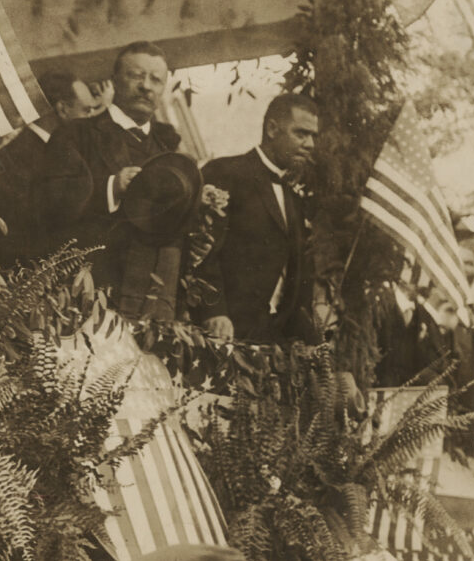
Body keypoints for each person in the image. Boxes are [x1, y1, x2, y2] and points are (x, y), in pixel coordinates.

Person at [39, 41, 182, 298]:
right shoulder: (74, 134)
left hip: (155, 295)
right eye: (136, 75)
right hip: (90, 293)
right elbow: (49, 204)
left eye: (156, 80)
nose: (146, 86)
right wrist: (111, 187)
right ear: (114, 80)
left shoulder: (170, 148)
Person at [192, 93, 320, 344]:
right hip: (221, 333)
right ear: (272, 129)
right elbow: (200, 251)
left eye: (313, 136)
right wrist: (213, 311)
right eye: (301, 134)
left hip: (272, 337)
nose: (311, 144)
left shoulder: (293, 198)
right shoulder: (225, 172)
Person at [0, 70, 98, 265]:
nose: (92, 117)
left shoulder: (49, 150)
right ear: (63, 109)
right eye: (86, 110)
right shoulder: (22, 154)